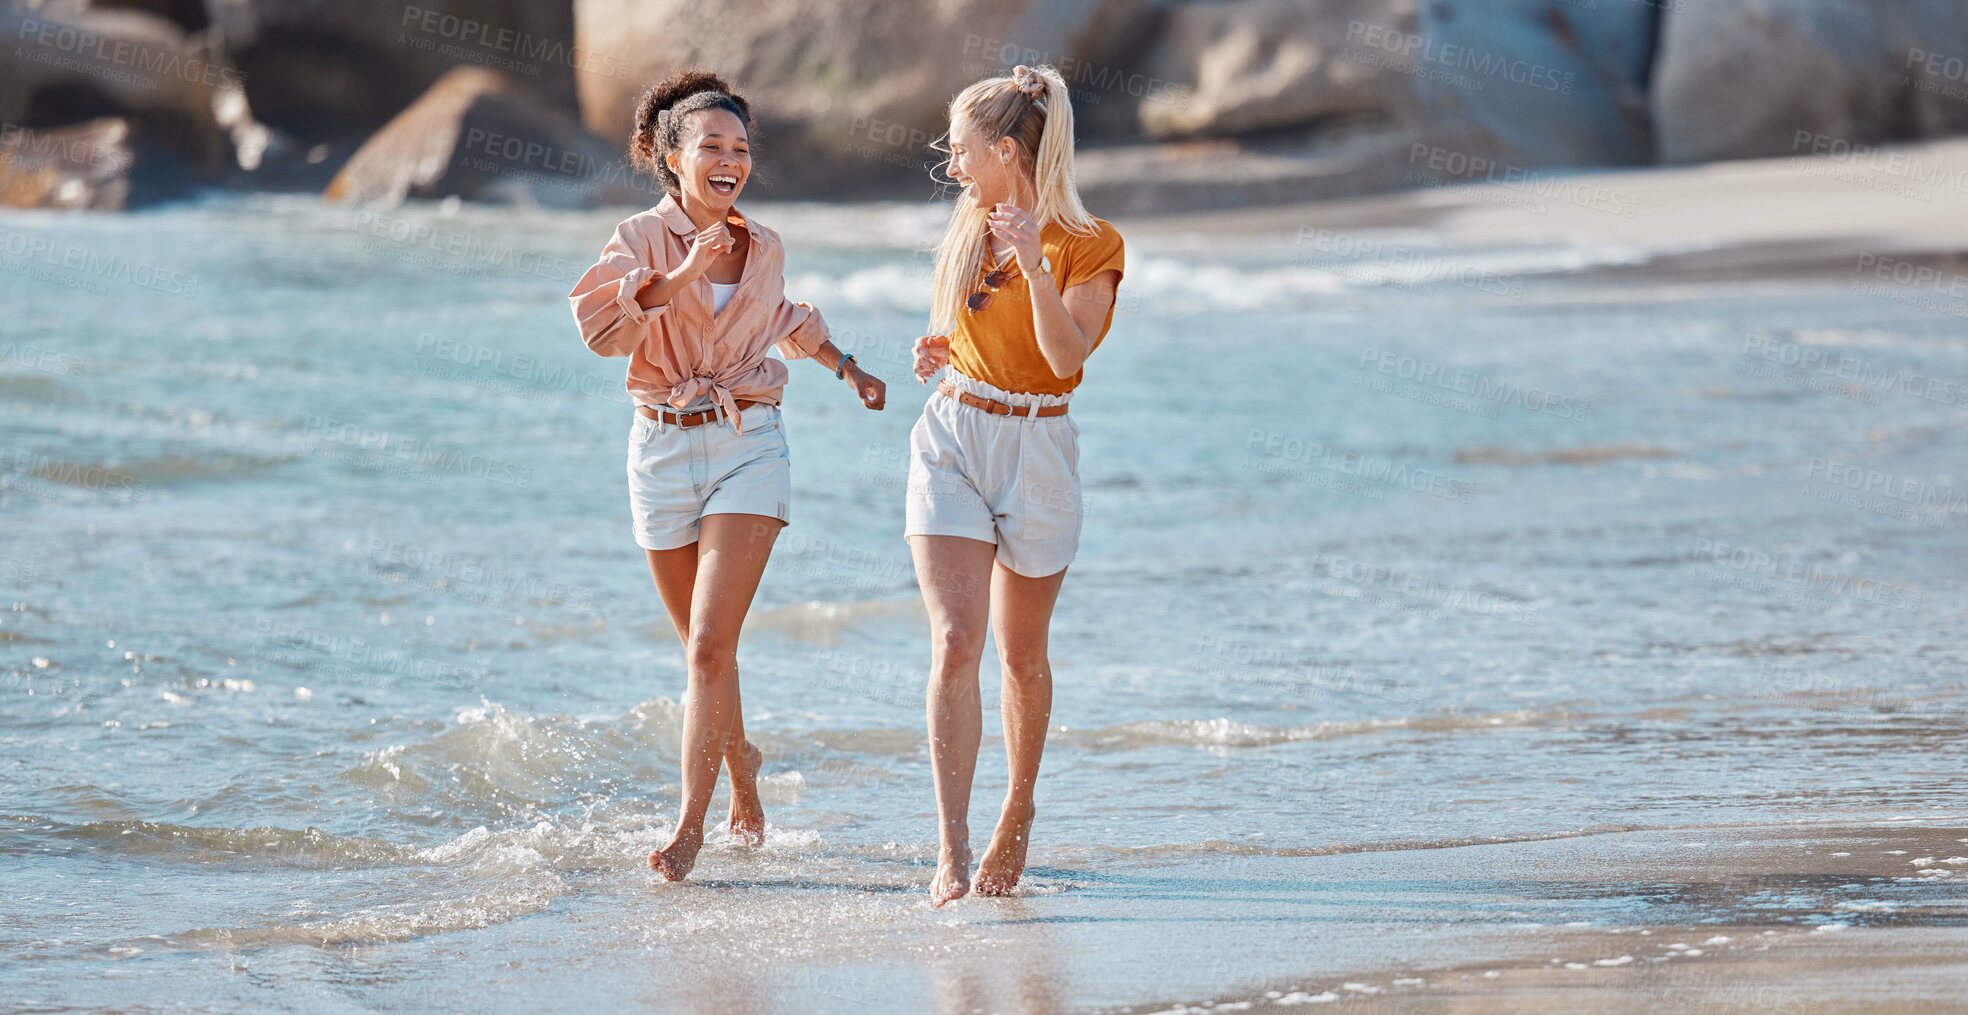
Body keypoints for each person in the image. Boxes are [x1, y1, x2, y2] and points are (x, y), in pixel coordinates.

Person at [568, 70, 887, 881]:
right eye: (711, 146)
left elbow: (783, 320)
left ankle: (689, 825)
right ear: (671, 158)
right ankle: (744, 768)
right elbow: (602, 331)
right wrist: (679, 275)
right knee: (702, 649)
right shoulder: (638, 239)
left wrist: (848, 368)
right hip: (659, 450)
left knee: (711, 644)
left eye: (740, 148)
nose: (730, 160)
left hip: (749, 443)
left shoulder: (766, 246)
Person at [905, 64, 1125, 906]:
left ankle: (1018, 805)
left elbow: (1066, 358)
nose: (950, 165)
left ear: (1003, 149)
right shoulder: (968, 223)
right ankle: (950, 846)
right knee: (956, 641)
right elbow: (974, 333)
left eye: (959, 149)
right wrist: (941, 349)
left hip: (1038, 448)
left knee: (1021, 657)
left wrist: (1035, 263)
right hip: (954, 436)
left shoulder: (1089, 244)